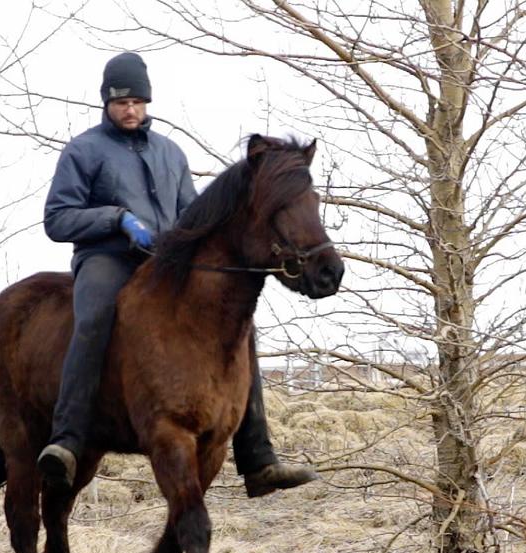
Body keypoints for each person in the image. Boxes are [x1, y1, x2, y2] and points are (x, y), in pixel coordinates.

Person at [38, 52, 319, 498]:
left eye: (136, 101)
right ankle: (67, 439)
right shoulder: (84, 150)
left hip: (163, 263)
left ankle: (258, 458)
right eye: (120, 102)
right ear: (106, 103)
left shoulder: (170, 151)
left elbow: (192, 215)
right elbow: (58, 218)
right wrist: (116, 219)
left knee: (241, 329)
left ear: (147, 102)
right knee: (93, 316)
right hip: (107, 258)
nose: (129, 109)